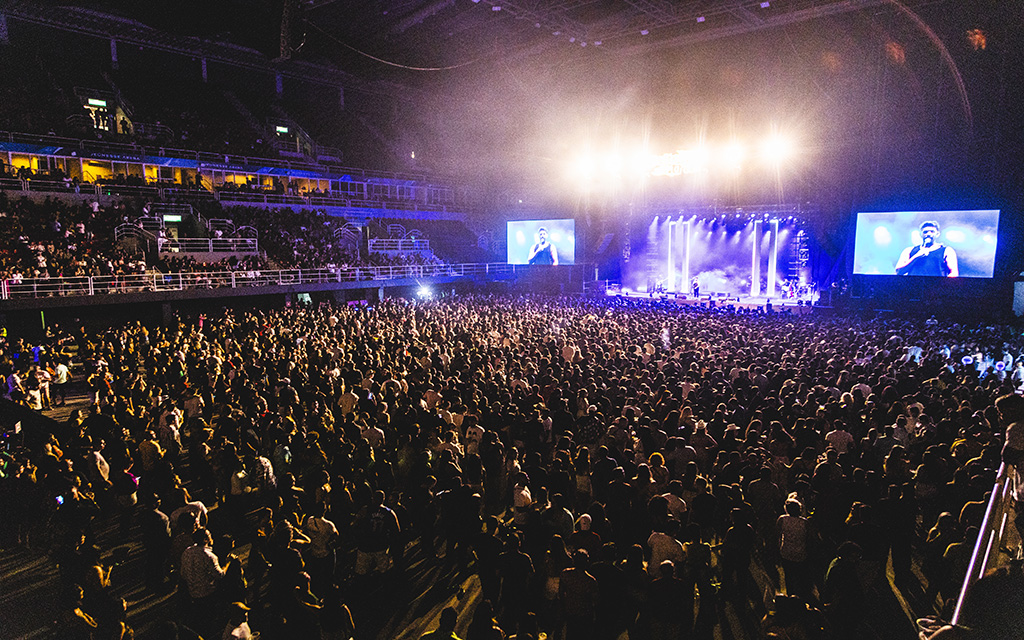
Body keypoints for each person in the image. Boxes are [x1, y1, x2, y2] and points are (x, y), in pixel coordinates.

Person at [894, 220, 959, 276]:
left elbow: (953, 273)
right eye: (925, 232)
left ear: (937, 234)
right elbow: (898, 272)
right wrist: (916, 256)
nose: (928, 234)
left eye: (932, 232)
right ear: (920, 234)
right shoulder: (909, 250)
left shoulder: (946, 250)